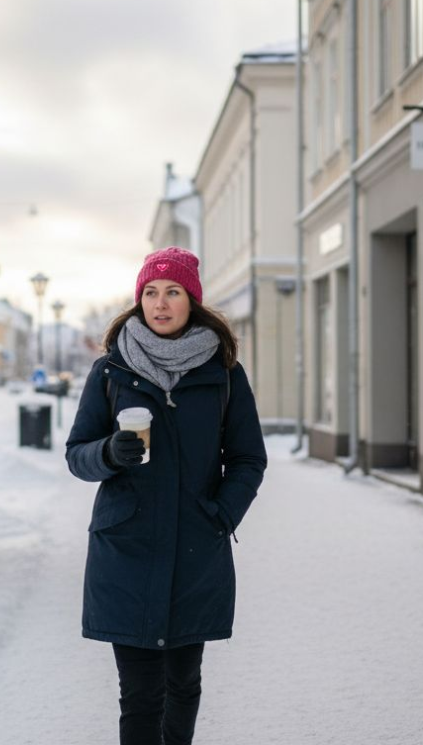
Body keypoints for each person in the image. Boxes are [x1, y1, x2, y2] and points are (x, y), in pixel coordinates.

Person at [65, 246, 267, 745]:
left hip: (196, 549)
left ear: (191, 300)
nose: (160, 303)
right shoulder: (110, 371)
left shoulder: (223, 374)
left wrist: (219, 514)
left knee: (183, 684)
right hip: (126, 549)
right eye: (151, 293)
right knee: (139, 693)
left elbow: (248, 459)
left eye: (172, 292)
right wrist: (110, 452)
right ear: (139, 301)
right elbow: (77, 454)